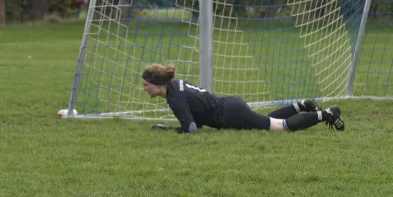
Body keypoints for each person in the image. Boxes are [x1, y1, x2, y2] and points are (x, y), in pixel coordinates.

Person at [141, 63, 345, 134]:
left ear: (158, 83)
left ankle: (326, 114)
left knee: (279, 126)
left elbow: (191, 129)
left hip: (230, 114)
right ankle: (301, 105)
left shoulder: (174, 98)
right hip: (231, 105)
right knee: (265, 121)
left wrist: (168, 129)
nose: (144, 88)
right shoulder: (178, 85)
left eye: (146, 84)